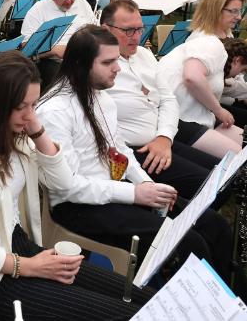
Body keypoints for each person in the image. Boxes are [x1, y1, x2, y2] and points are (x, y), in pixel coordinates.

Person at [0, 50, 152, 321]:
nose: (30, 115)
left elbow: (62, 181)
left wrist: (38, 132)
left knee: (142, 300)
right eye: (21, 107)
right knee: (127, 314)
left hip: (25, 250)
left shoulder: (14, 136)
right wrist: (27, 266)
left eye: (34, 104)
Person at [37, 25, 235, 281]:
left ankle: (227, 303)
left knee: (214, 225)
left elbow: (120, 150)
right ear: (79, 63)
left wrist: (148, 185)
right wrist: (134, 193)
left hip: (112, 189)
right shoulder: (55, 110)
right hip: (77, 205)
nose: (118, 68)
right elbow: (67, 188)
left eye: (116, 59)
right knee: (188, 242)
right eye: (108, 62)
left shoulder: (100, 97)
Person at [101, 0, 230, 207]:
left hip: (163, 139)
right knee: (215, 187)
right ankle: (186, 224)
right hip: (133, 150)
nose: (137, 37)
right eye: (128, 31)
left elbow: (168, 99)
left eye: (140, 29)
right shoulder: (98, 66)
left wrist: (164, 138)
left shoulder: (143, 54)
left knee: (223, 174)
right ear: (105, 29)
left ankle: (190, 217)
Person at [157, 35, 247, 157]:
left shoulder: (217, 66)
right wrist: (218, 110)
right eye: (242, 70)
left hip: (200, 115)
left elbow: (232, 87)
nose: (239, 74)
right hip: (179, 117)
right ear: (237, 60)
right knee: (238, 155)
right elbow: (192, 77)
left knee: (243, 143)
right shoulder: (211, 46)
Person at [21, 0, 95, 87]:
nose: (69, 1)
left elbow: (95, 30)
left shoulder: (82, 2)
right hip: (53, 61)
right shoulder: (38, 10)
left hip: (84, 56)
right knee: (64, 77)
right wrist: (54, 50)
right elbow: (26, 47)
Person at [185, 0, 247, 114]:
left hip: (230, 99)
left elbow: (235, 72)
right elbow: (213, 83)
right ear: (216, 10)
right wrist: (244, 92)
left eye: (239, 11)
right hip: (210, 106)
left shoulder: (226, 34)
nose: (239, 17)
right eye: (234, 11)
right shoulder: (202, 40)